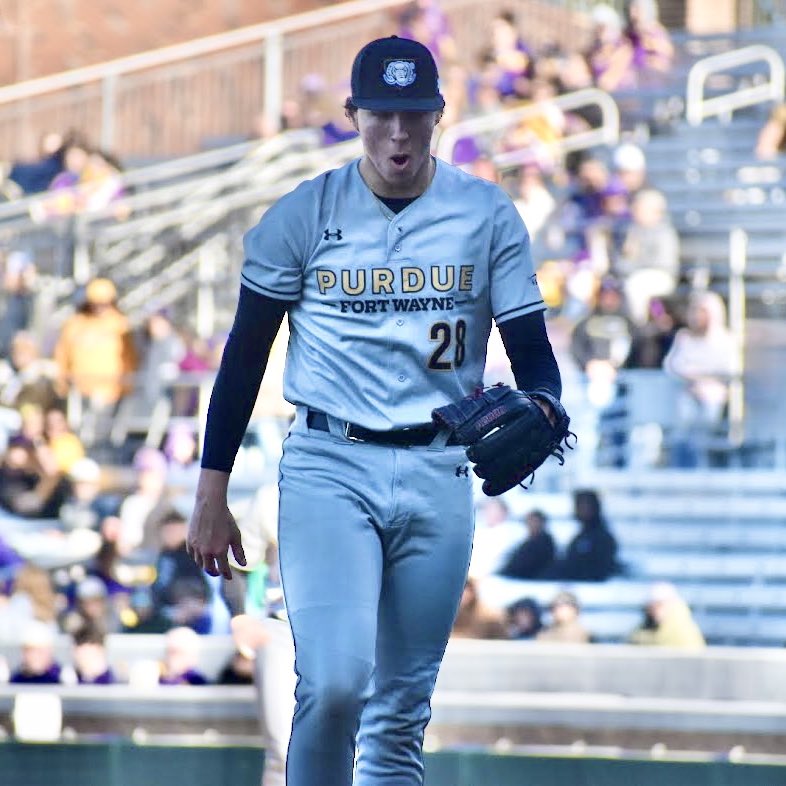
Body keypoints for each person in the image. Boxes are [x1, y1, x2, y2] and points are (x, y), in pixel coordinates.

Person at [186, 35, 562, 786]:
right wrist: (210, 491)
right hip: (332, 462)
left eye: (414, 114)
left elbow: (535, 357)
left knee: (399, 712)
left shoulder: (485, 212)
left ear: (438, 115)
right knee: (332, 685)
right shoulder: (302, 214)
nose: (398, 131)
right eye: (382, 113)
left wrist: (548, 409)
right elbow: (243, 355)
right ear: (353, 114)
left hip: (439, 464)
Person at [547, 489, 619, 582]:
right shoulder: (581, 535)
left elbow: (598, 571)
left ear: (595, 507)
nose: (581, 510)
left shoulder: (602, 537)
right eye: (578, 505)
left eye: (586, 505)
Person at [629, 582, 706, 649]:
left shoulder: (685, 632)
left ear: (671, 604)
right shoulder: (641, 630)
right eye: (651, 606)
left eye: (659, 605)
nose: (654, 610)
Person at [498, 509, 556, 580]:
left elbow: (526, 565)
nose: (531, 524)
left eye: (535, 521)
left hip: (530, 580)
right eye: (529, 521)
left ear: (542, 523)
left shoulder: (543, 543)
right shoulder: (528, 541)